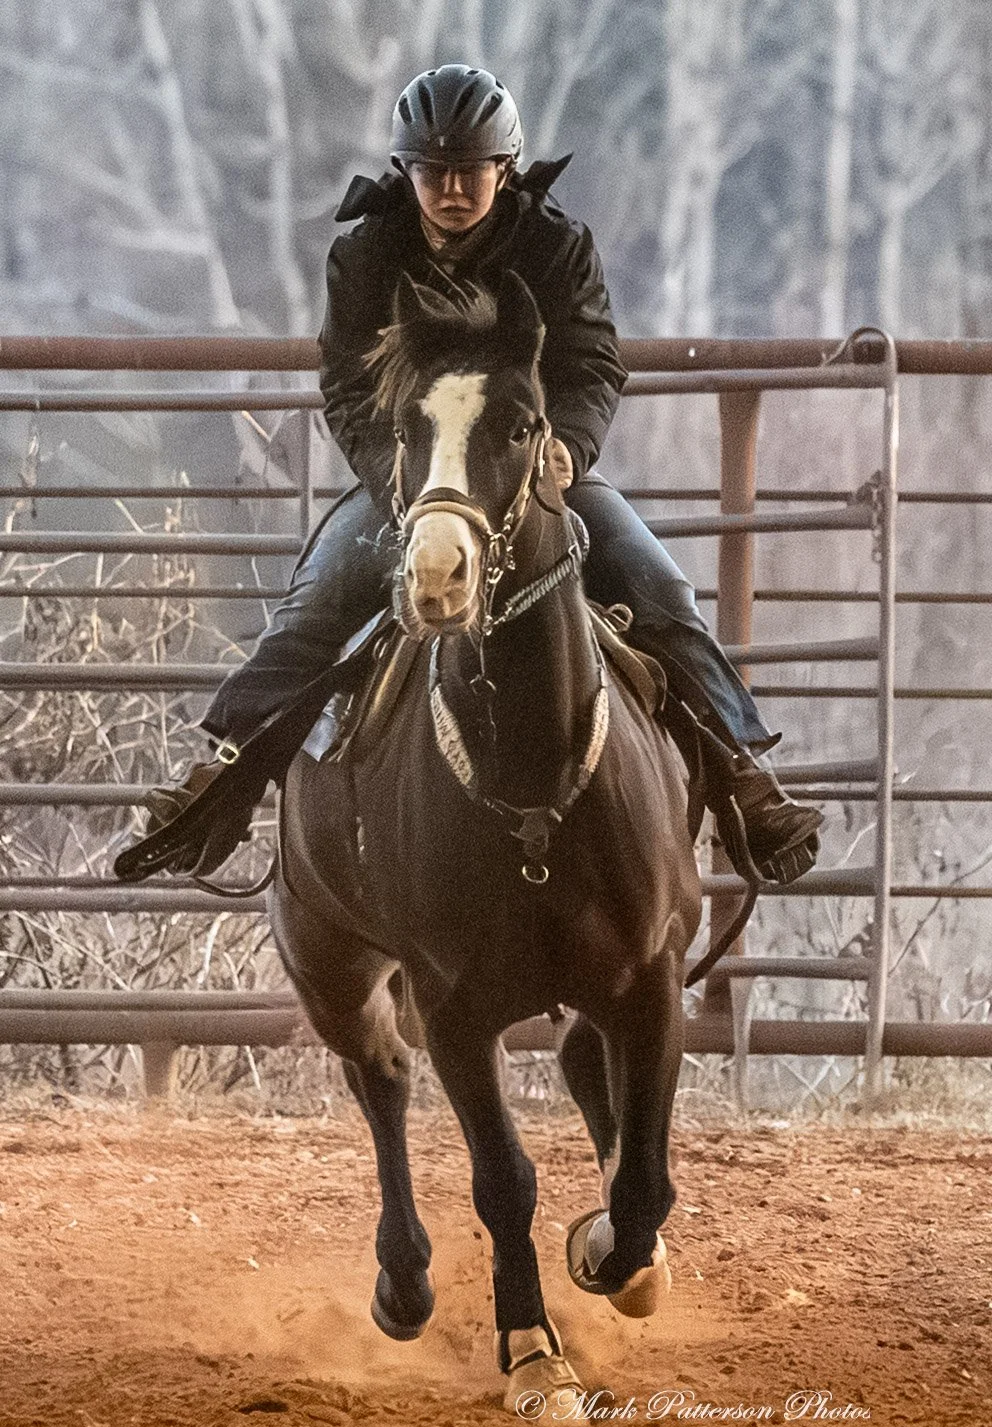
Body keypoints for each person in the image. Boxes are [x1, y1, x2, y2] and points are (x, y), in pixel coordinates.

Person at [141, 64, 822, 885]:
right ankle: (221, 769)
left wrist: (566, 445)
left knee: (656, 584)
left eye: (472, 170)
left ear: (505, 168)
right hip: (414, 483)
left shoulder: (555, 248)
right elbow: (350, 386)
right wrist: (394, 474)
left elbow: (593, 364)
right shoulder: (365, 256)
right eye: (434, 172)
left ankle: (744, 773)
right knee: (317, 601)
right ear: (408, 173)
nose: (454, 189)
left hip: (535, 477)